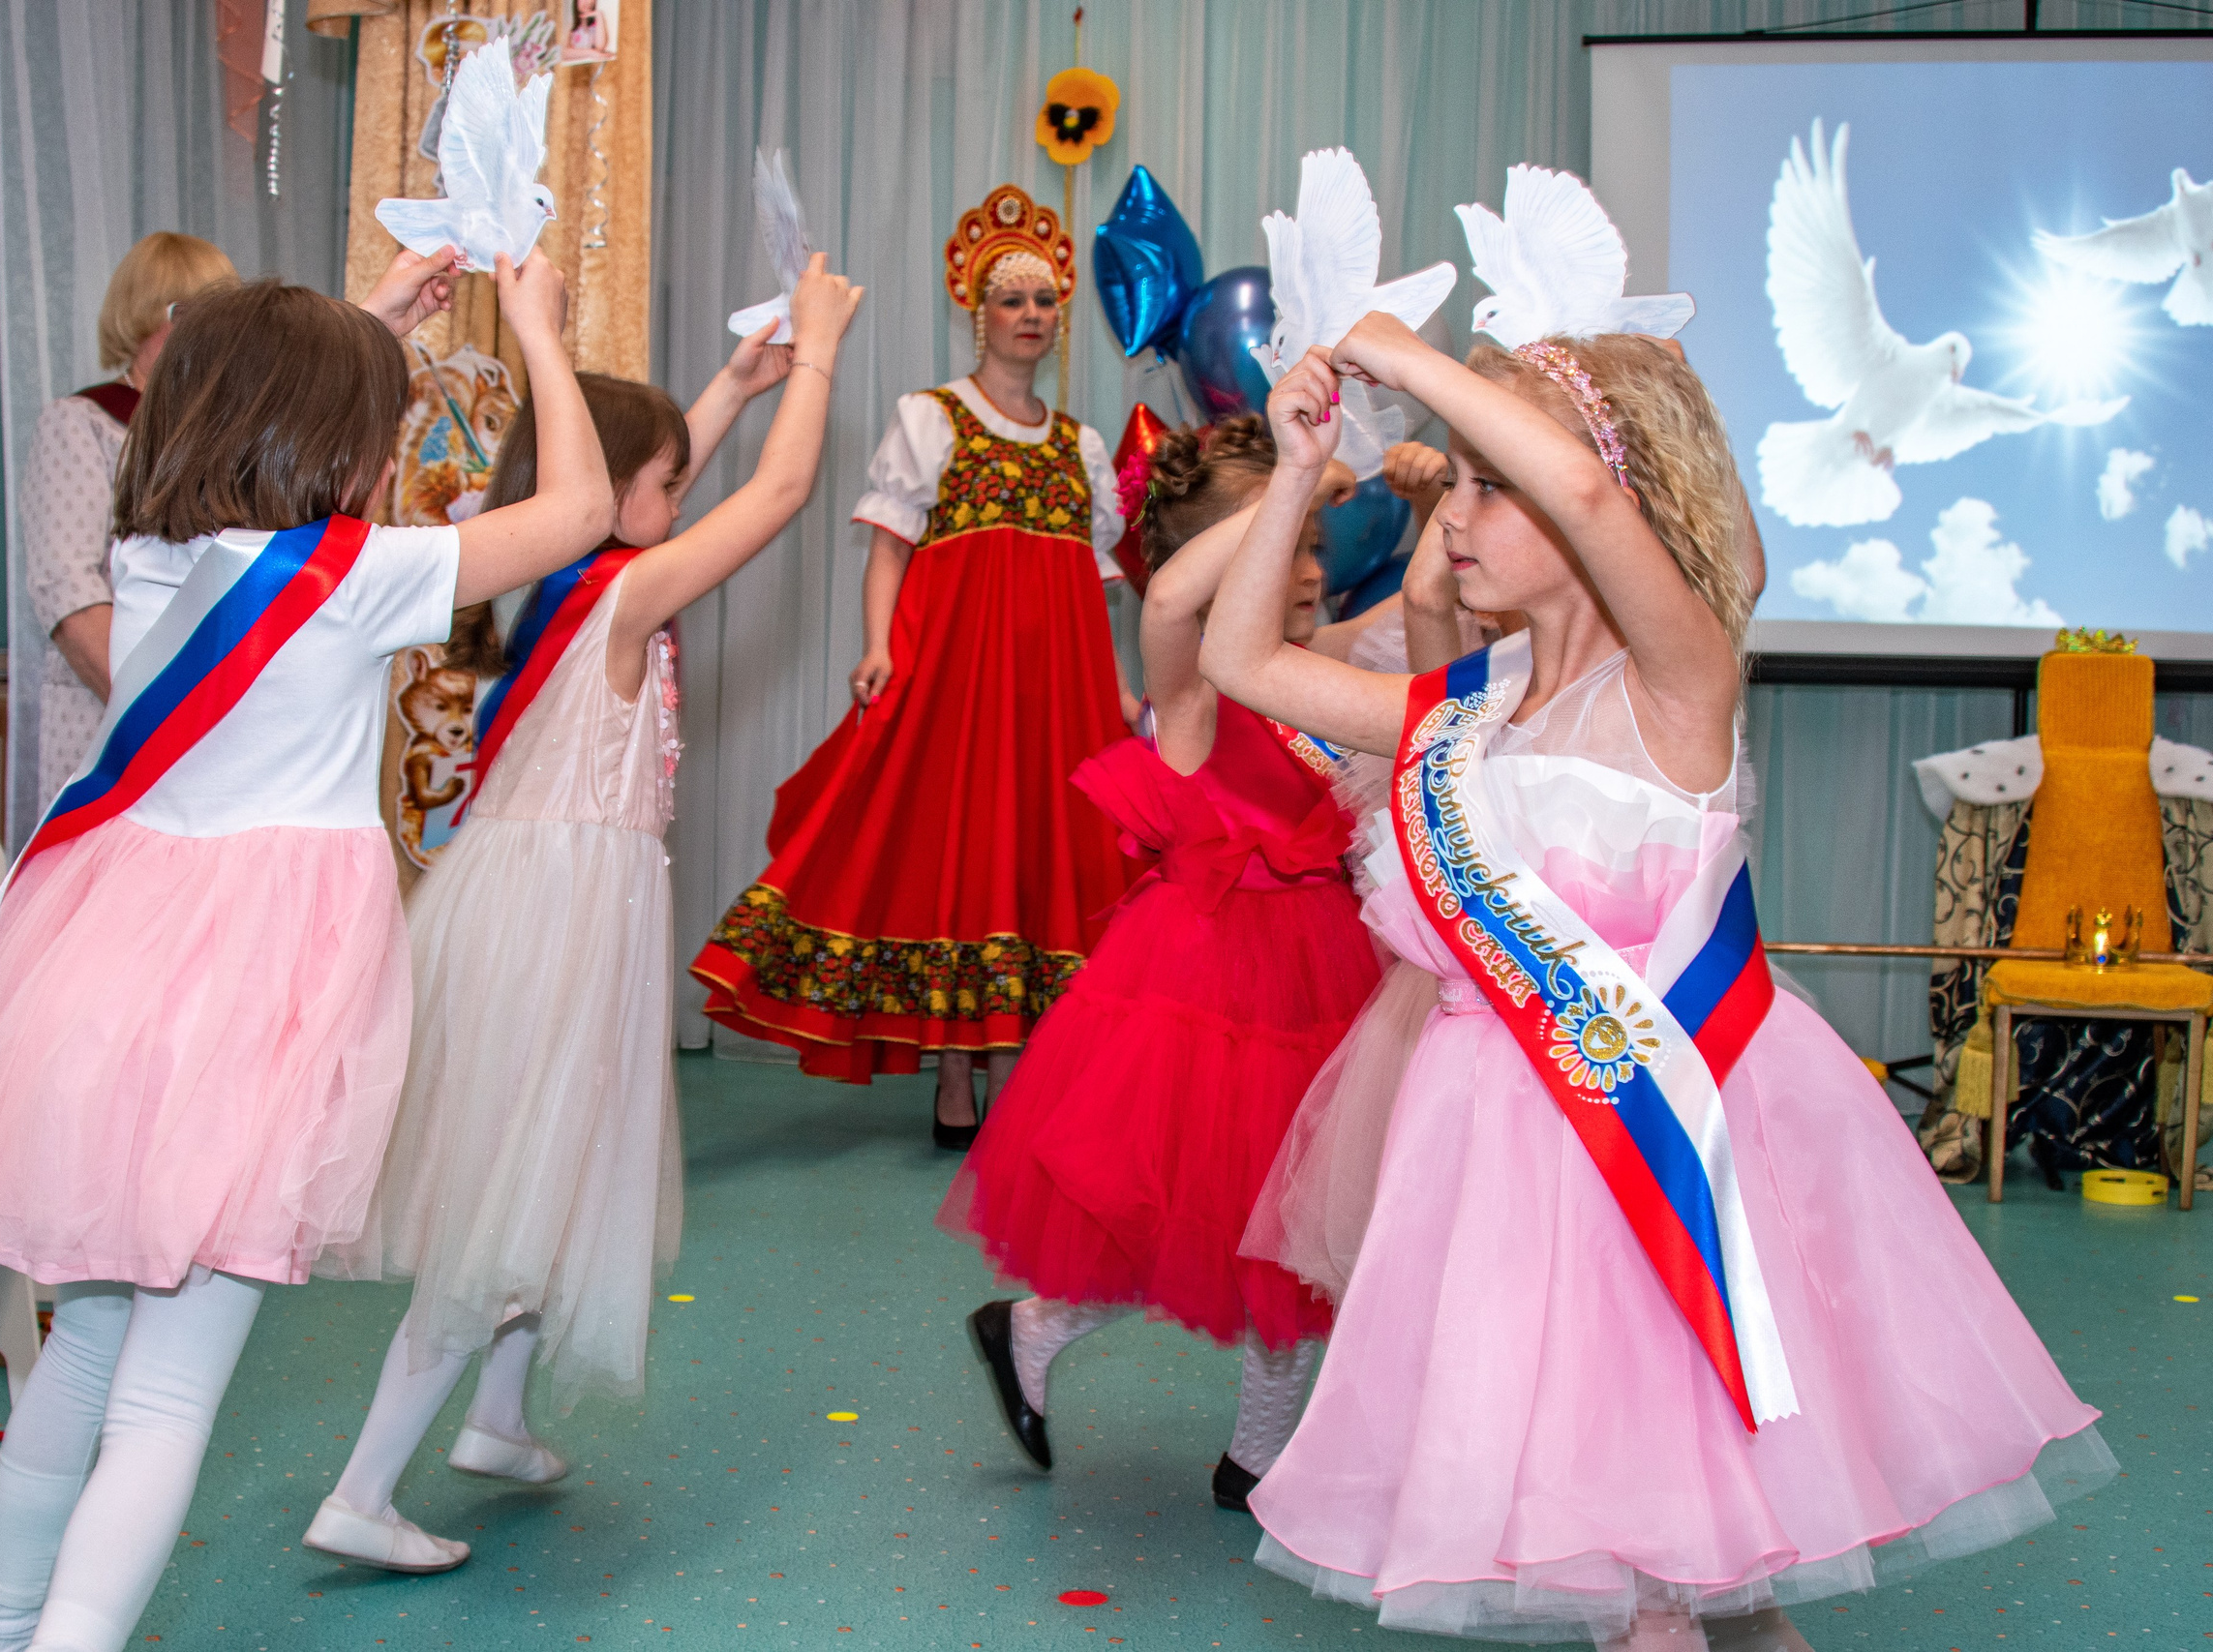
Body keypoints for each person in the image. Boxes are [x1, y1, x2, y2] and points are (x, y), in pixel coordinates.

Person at [1197, 326, 2109, 1651]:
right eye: (1451, 483)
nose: (1455, 514)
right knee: (1691, 1584)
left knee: (1657, 1587)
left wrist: (1413, 355)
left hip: (1658, 1151)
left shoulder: (1681, 678)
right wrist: (1292, 470)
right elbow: (1240, 664)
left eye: (1487, 482)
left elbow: (1580, 490)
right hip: (1504, 1161)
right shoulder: (1463, 704)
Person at [0, 243, 619, 1652]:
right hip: (246, 1004)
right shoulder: (358, 574)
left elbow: (254, 387)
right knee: (169, 1396)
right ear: (337, 436)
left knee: (86, 1349)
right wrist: (530, 321)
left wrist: (362, 321)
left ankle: (1, 1629)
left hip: (97, 971)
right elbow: (581, 505)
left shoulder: (152, 550)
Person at [306, 257, 865, 1572]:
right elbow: (779, 496)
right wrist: (825, 354)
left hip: (546, 894)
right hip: (559, 910)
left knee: (543, 1165)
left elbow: (641, 488)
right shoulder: (617, 591)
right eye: (667, 483)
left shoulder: (560, 574)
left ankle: (494, 1418)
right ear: (621, 495)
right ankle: (362, 1485)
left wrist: (730, 384)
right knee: (512, 1187)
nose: (680, 506)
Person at [939, 414, 1379, 1510]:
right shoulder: (1191, 679)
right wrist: (1288, 490)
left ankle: (1258, 1455)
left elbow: (1426, 635)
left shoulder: (1313, 666)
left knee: (1299, 1227)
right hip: (1202, 984)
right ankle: (1037, 1325)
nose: (1311, 568)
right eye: (1288, 547)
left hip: (1317, 974)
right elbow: (1174, 596)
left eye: (1317, 546)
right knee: (1183, 1215)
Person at [691, 183, 1135, 1146]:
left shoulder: (1080, 446)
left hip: (1055, 687)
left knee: (1045, 855)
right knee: (962, 852)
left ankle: (1034, 1065)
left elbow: (1094, 588)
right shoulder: (932, 417)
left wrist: (1112, 686)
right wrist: (879, 645)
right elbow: (891, 543)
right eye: (1011, 300)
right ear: (979, 314)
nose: (1030, 316)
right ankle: (955, 1076)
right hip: (960, 679)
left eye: (1044, 300)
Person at [22, 233, 239, 800]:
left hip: (210, 720)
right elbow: (66, 586)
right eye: (187, 313)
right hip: (112, 715)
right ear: (141, 318)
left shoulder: (223, 441)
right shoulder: (82, 423)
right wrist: (150, 711)